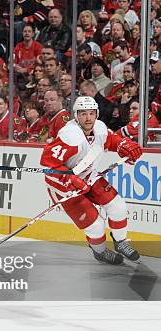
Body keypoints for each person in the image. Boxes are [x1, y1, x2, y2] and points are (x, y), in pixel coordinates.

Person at [40, 96, 143, 265]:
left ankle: (121, 242)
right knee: (95, 225)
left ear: (96, 114)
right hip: (64, 186)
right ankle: (100, 251)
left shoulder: (100, 127)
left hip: (88, 177)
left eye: (91, 113)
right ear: (76, 115)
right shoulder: (69, 136)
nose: (88, 118)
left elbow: (112, 140)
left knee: (118, 206)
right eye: (83, 114)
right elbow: (48, 166)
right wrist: (68, 179)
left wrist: (124, 144)